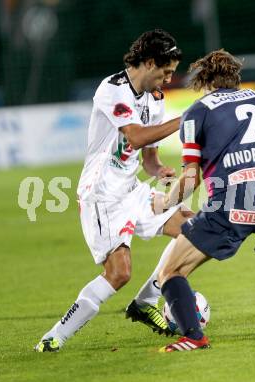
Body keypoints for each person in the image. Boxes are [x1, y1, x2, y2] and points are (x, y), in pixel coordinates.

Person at [35, 29, 190, 352]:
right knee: (119, 273)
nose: (169, 79)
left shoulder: (156, 100)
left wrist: (158, 169)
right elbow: (134, 136)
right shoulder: (112, 90)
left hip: (131, 189)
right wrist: (185, 119)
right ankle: (55, 336)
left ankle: (146, 302)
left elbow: (147, 157)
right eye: (166, 71)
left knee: (191, 231)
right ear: (149, 62)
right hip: (102, 193)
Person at [152, 49, 255, 352]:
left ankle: (194, 337)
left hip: (232, 200)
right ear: (235, 77)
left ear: (204, 81)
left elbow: (190, 179)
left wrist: (165, 204)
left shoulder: (196, 112)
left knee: (170, 272)